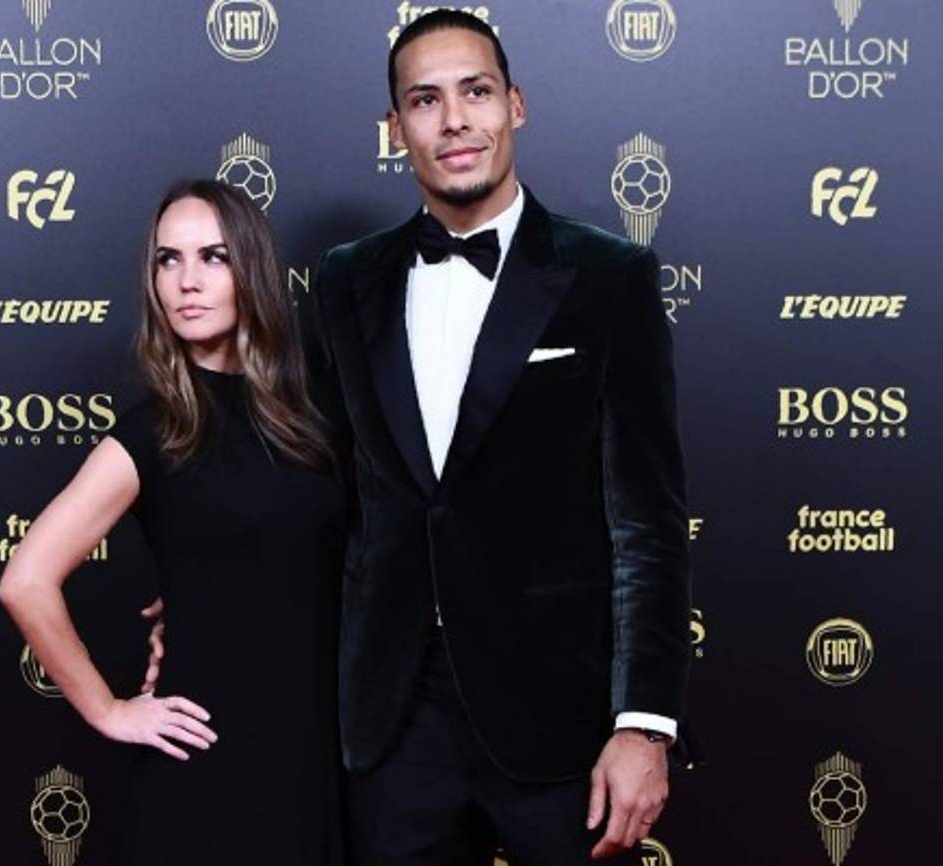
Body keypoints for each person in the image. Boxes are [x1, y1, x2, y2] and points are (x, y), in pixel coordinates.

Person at [306, 10, 692, 866]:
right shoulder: (343, 281)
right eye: (425, 100)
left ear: (515, 104)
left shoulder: (609, 277)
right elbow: (323, 490)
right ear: (395, 128)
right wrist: (211, 587)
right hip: (394, 720)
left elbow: (649, 523)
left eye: (475, 92)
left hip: (561, 716)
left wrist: (644, 725)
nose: (454, 120)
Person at [0, 178, 347, 866]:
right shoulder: (155, 434)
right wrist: (109, 710)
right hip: (207, 756)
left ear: (252, 270)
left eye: (214, 257)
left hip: (319, 748)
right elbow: (25, 581)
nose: (188, 281)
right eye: (168, 260)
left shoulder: (320, 412)